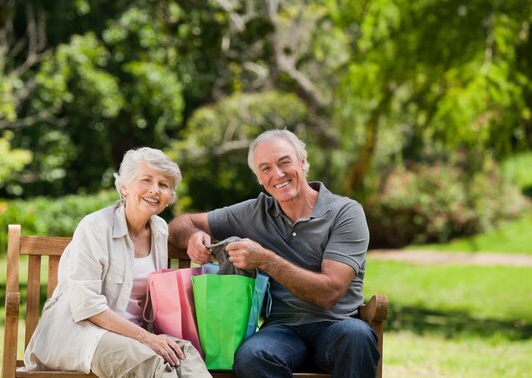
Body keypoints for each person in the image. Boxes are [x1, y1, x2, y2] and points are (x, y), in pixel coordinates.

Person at [168, 129, 380, 378]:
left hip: (338, 326)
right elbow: (179, 223)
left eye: (284, 162)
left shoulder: (345, 213)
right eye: (265, 168)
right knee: (252, 356)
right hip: (282, 330)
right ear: (259, 178)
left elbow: (329, 292)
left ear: (303, 162)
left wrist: (265, 259)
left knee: (358, 336)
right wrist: (192, 235)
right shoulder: (255, 212)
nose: (277, 174)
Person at [24, 147, 211, 378]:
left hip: (135, 338)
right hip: (84, 335)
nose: (154, 190)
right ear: (124, 186)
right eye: (146, 180)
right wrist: (147, 338)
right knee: (153, 363)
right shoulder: (94, 227)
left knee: (185, 354)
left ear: (169, 196)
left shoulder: (160, 229)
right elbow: (88, 306)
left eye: (163, 184)